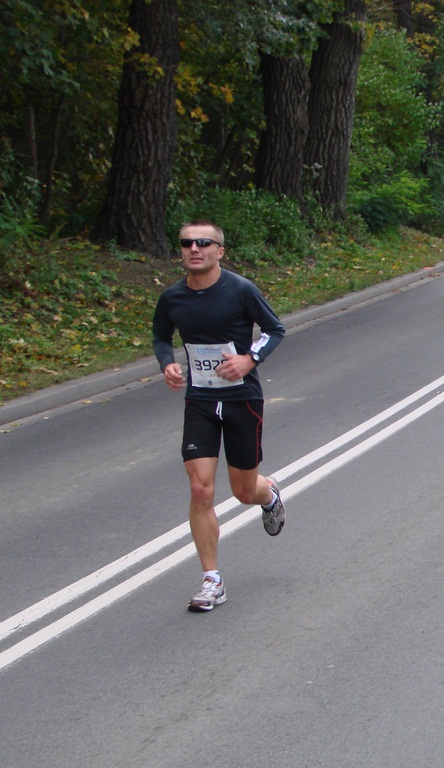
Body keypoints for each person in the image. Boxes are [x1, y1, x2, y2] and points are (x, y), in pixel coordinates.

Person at [152, 220, 288, 612]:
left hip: (242, 399)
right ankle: (212, 580)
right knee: (200, 489)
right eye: (187, 243)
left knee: (245, 491)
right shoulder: (173, 298)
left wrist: (250, 359)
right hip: (199, 401)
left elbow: (275, 329)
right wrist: (168, 364)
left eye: (204, 243)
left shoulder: (240, 289)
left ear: (219, 251)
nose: (195, 248)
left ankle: (269, 492)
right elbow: (162, 336)